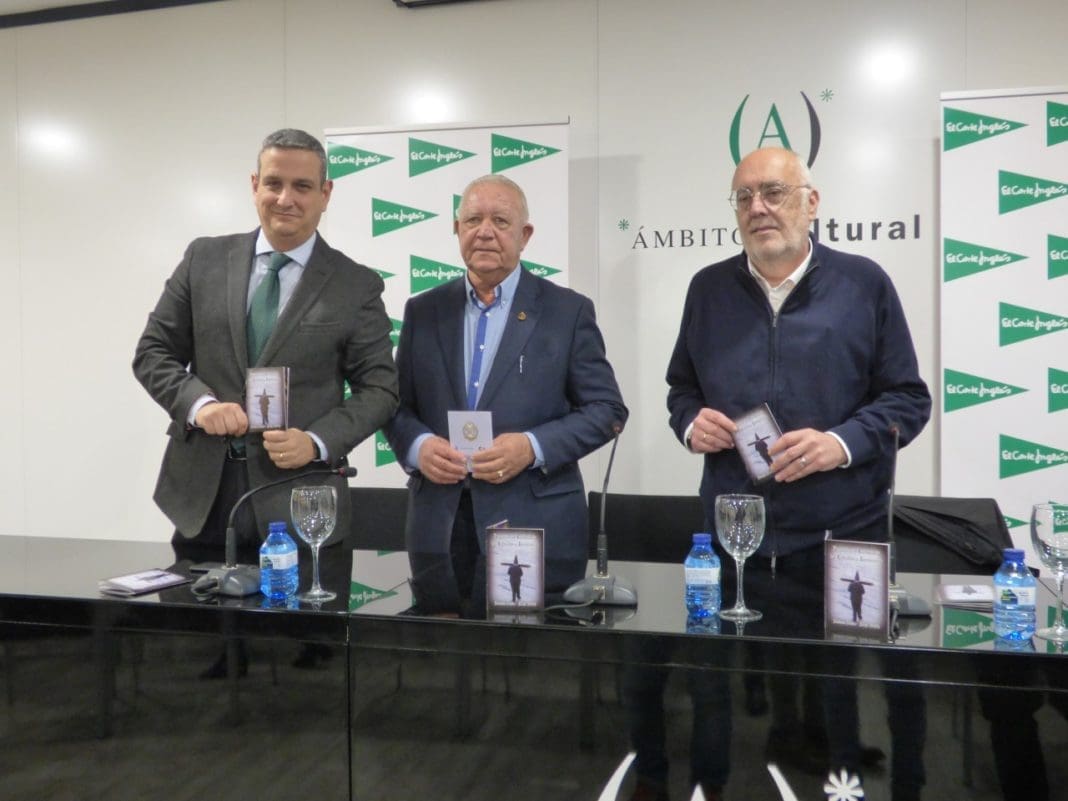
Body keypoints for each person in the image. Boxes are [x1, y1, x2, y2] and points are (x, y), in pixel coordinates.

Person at [666, 146, 931, 797]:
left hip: (845, 533)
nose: (758, 207)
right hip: (736, 536)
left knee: (848, 690)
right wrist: (689, 422)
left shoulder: (864, 283)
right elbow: (681, 389)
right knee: (722, 691)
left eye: (774, 192)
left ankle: (853, 780)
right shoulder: (707, 288)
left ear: (812, 202)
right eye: (744, 196)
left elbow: (907, 399)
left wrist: (841, 443)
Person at [134, 128, 399, 565]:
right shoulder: (203, 259)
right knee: (195, 631)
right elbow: (153, 352)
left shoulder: (356, 284)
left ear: (325, 193)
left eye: (302, 186)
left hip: (301, 507)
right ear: (254, 185)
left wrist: (315, 441)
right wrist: (200, 405)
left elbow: (380, 390)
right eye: (274, 183)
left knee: (295, 635)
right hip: (203, 499)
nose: (285, 199)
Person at [386, 174, 627, 614]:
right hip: (440, 525)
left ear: (525, 235)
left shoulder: (567, 311)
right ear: (456, 229)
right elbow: (395, 406)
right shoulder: (422, 311)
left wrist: (531, 447)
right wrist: (419, 447)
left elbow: (606, 410)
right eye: (472, 219)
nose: (485, 231)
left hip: (535, 522)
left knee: (532, 669)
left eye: (500, 220)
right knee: (440, 665)